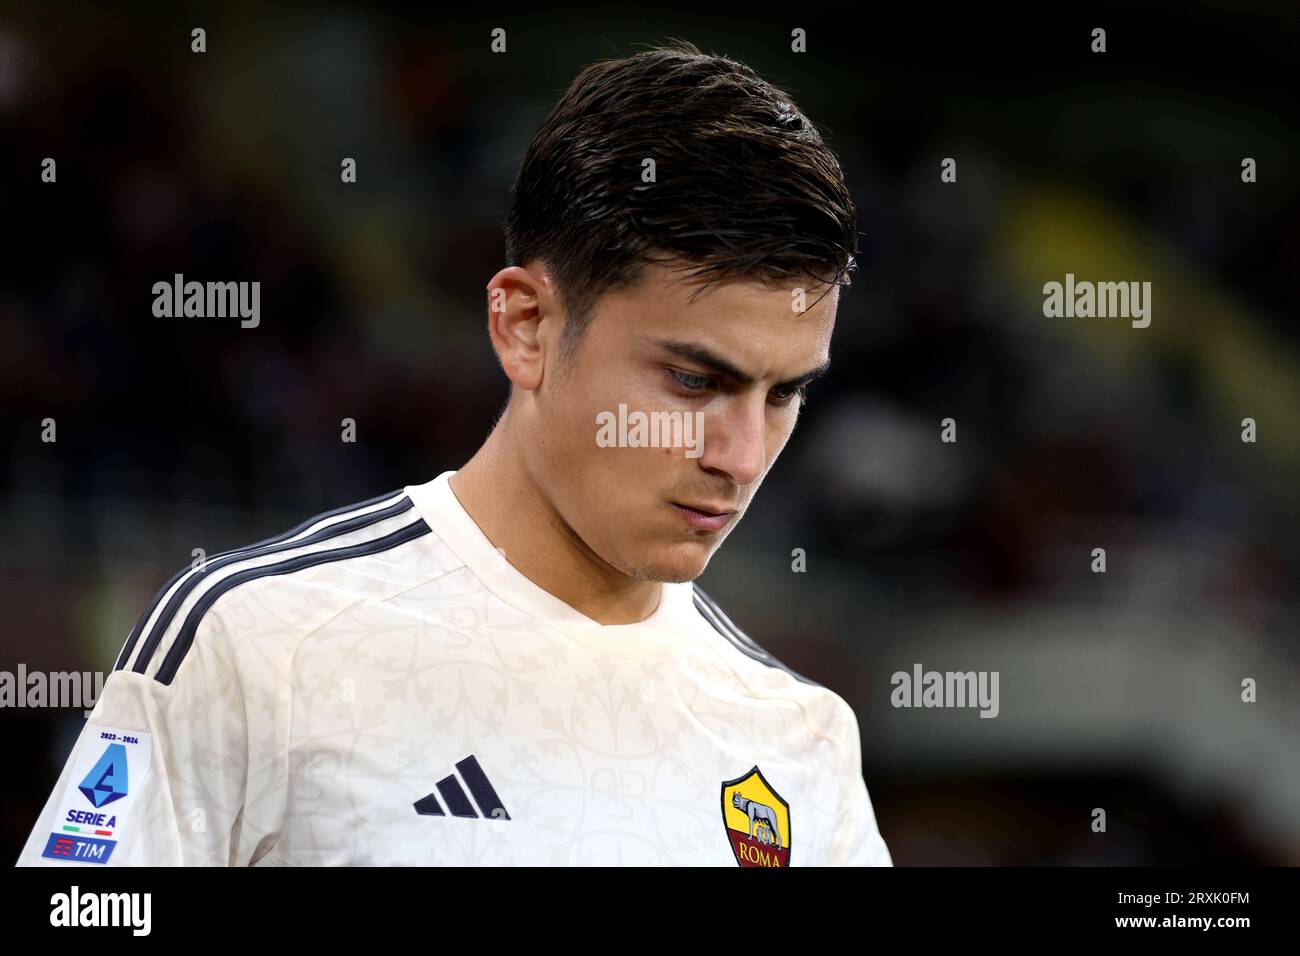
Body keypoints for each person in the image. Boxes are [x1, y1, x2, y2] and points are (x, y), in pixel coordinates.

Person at [18, 40, 890, 867]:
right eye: (694, 381)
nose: (740, 457)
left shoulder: (799, 739)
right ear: (525, 327)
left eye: (784, 395)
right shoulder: (257, 644)